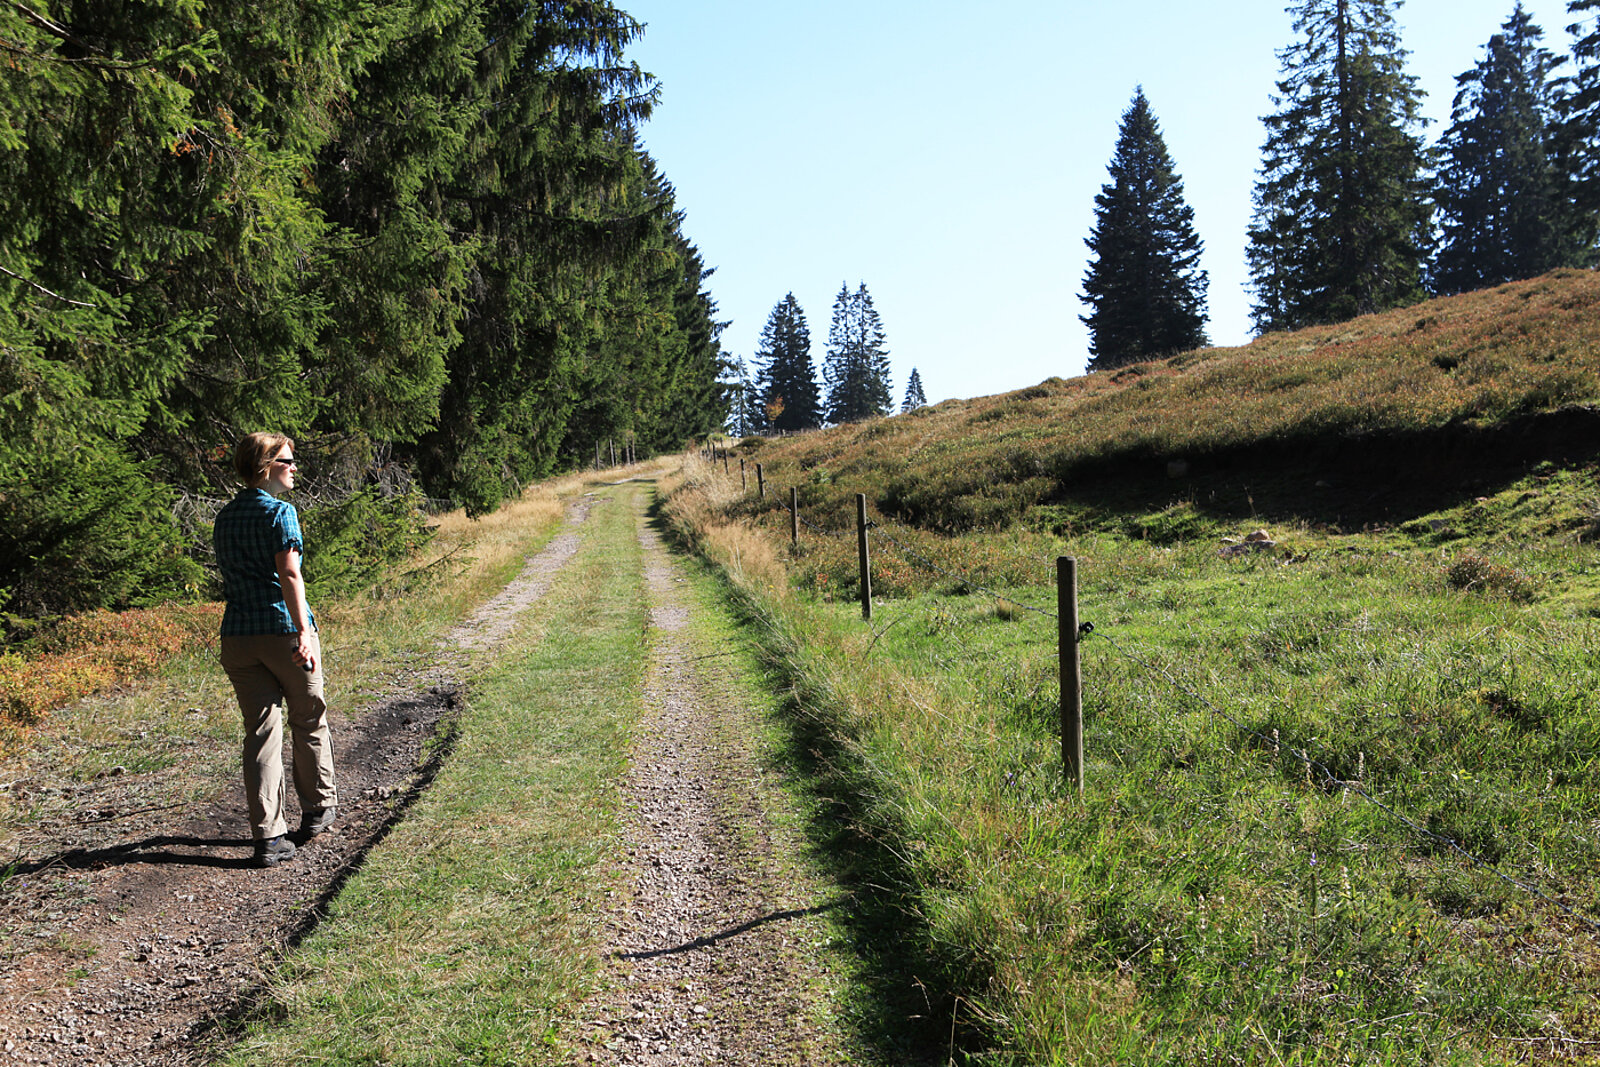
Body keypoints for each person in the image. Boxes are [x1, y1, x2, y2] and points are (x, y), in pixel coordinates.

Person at [213, 433, 337, 867]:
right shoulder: (281, 513)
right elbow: (290, 575)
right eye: (287, 460)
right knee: (308, 719)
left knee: (262, 732)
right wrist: (303, 632)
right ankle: (318, 810)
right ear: (265, 465)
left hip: (238, 638)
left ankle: (268, 838)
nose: (294, 466)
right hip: (283, 632)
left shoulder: (225, 517)